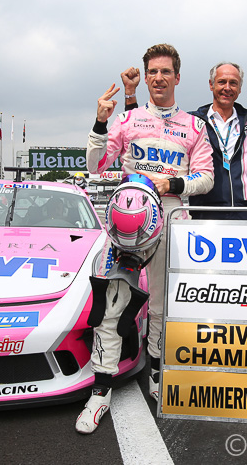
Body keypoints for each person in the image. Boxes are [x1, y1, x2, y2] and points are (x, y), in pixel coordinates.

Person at [77, 43, 214, 434]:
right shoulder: (127, 119)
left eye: (165, 72)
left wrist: (172, 181)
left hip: (170, 220)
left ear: (177, 77)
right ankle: (100, 389)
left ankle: (156, 373)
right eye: (152, 72)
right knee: (112, 303)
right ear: (147, 75)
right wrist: (101, 122)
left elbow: (206, 177)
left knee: (160, 306)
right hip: (125, 223)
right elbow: (96, 165)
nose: (158, 78)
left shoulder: (194, 126)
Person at [123, 63, 247, 220]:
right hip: (204, 212)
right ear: (211, 85)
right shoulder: (192, 122)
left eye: (233, 83)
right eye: (222, 82)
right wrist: (130, 94)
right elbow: (145, 132)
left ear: (240, 88)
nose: (227, 87)